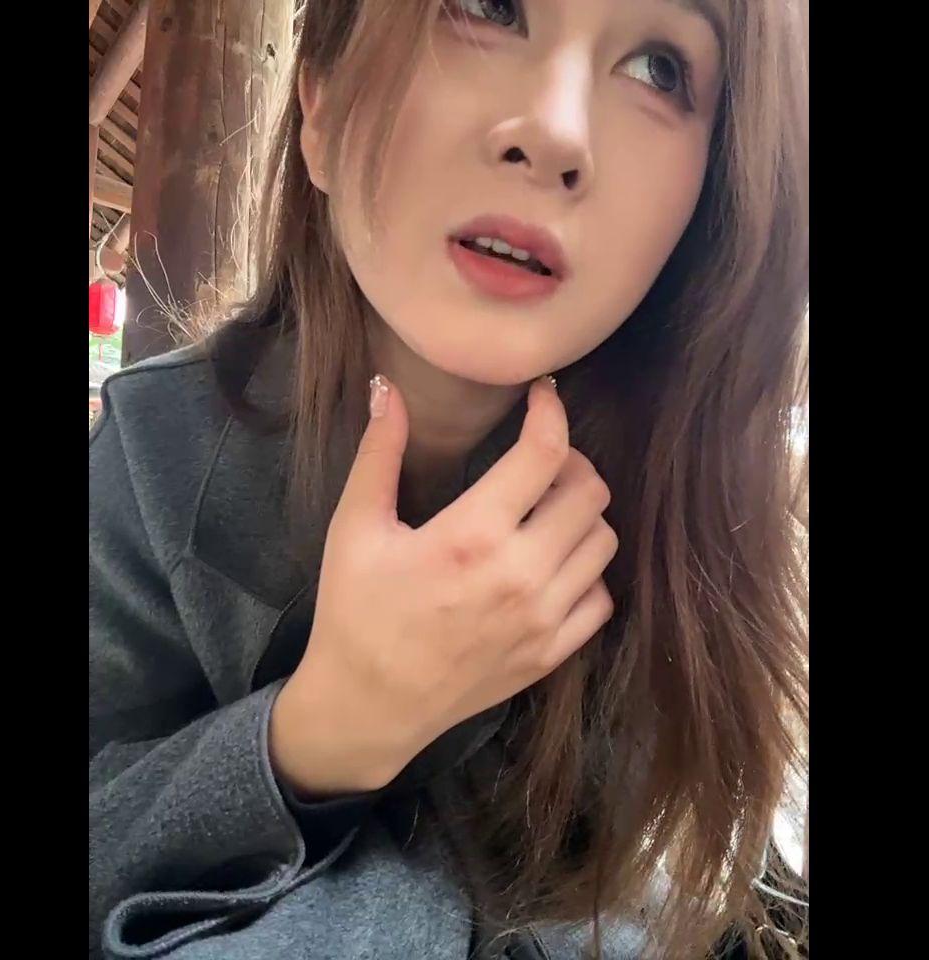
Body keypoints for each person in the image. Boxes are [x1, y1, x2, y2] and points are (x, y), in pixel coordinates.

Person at [89, 1, 809, 957]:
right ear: (319, 108)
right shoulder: (155, 450)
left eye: (659, 68)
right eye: (486, 6)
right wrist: (324, 730)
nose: (555, 133)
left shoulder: (696, 521)